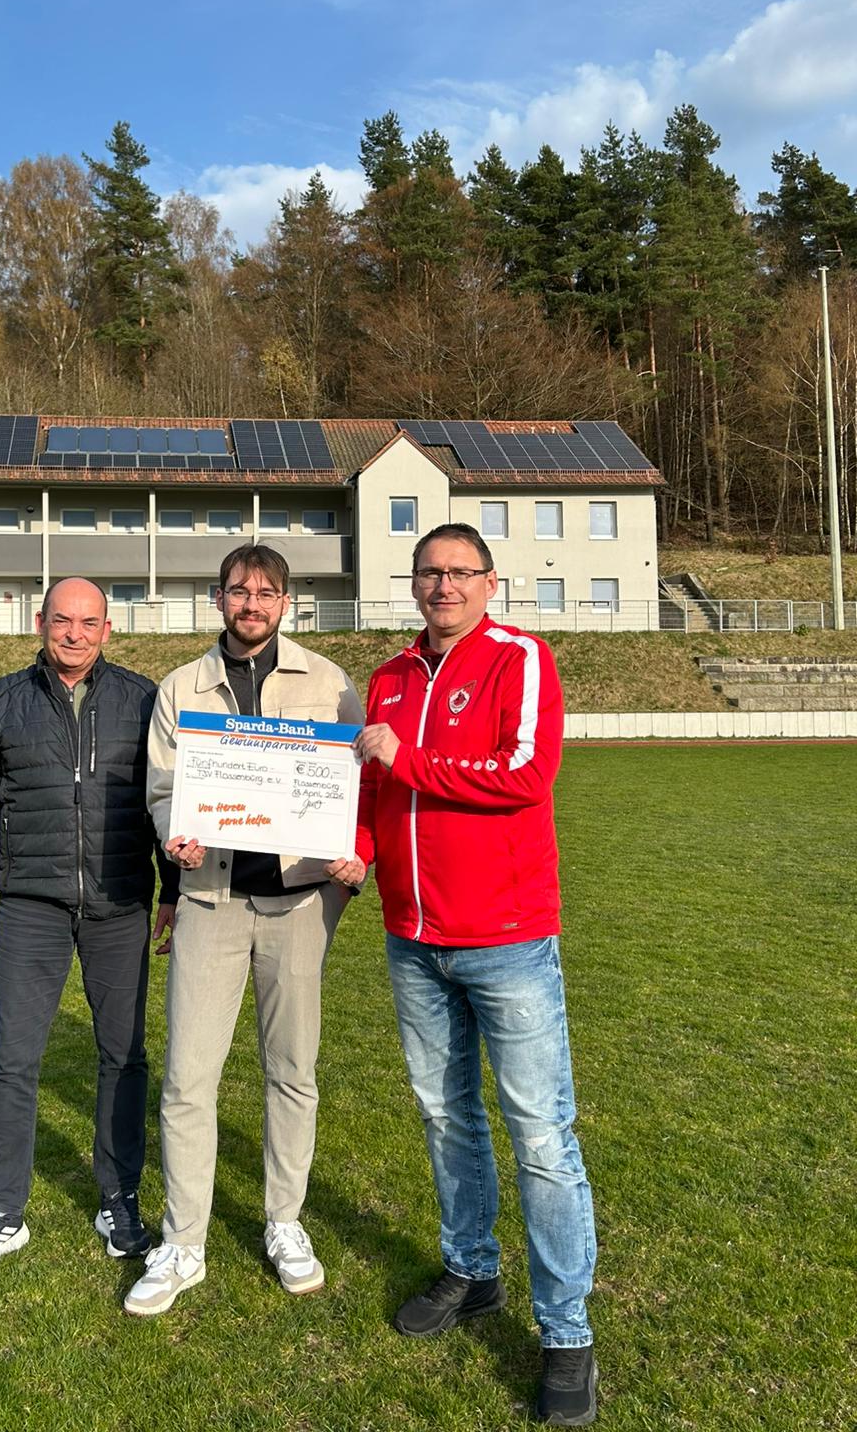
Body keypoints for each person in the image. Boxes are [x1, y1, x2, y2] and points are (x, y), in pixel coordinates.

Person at [355, 523, 598, 1428]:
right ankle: (472, 1269)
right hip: (413, 938)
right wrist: (357, 852)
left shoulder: (520, 658)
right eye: (430, 572)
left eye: (461, 572)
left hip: (505, 936)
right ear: (413, 582)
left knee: (541, 1135)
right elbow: (374, 790)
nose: (444, 585)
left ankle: (566, 1332)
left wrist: (408, 759)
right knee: (446, 1115)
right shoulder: (389, 676)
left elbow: (526, 775)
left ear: (491, 583)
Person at [123, 544, 366, 1316]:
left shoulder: (329, 683)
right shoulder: (181, 687)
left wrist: (354, 855)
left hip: (299, 905)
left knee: (292, 1072)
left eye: (265, 592)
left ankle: (284, 1222)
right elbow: (163, 786)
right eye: (238, 590)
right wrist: (176, 832)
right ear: (218, 598)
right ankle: (184, 1241)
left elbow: (357, 787)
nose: (251, 603)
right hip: (210, 900)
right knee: (187, 1078)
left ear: (285, 602)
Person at [0, 576, 177, 1276]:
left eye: (89, 622)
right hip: (31, 906)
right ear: (41, 622)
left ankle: (119, 1199)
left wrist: (174, 891)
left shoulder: (144, 700)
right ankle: (2, 1212)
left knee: (124, 1056)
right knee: (14, 1060)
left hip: (120, 904)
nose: (74, 634)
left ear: (108, 629)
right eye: (63, 620)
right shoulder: (2, 701)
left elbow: (167, 800)